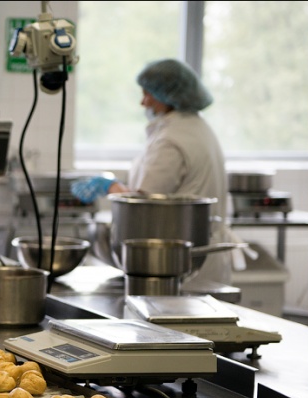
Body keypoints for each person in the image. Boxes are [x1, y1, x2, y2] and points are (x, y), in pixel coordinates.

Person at [71, 58, 232, 285]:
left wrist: (110, 186)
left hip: (179, 264)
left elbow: (144, 206)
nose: (143, 103)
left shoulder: (171, 141)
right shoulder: (197, 128)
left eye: (148, 94)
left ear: (169, 95)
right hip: (200, 256)